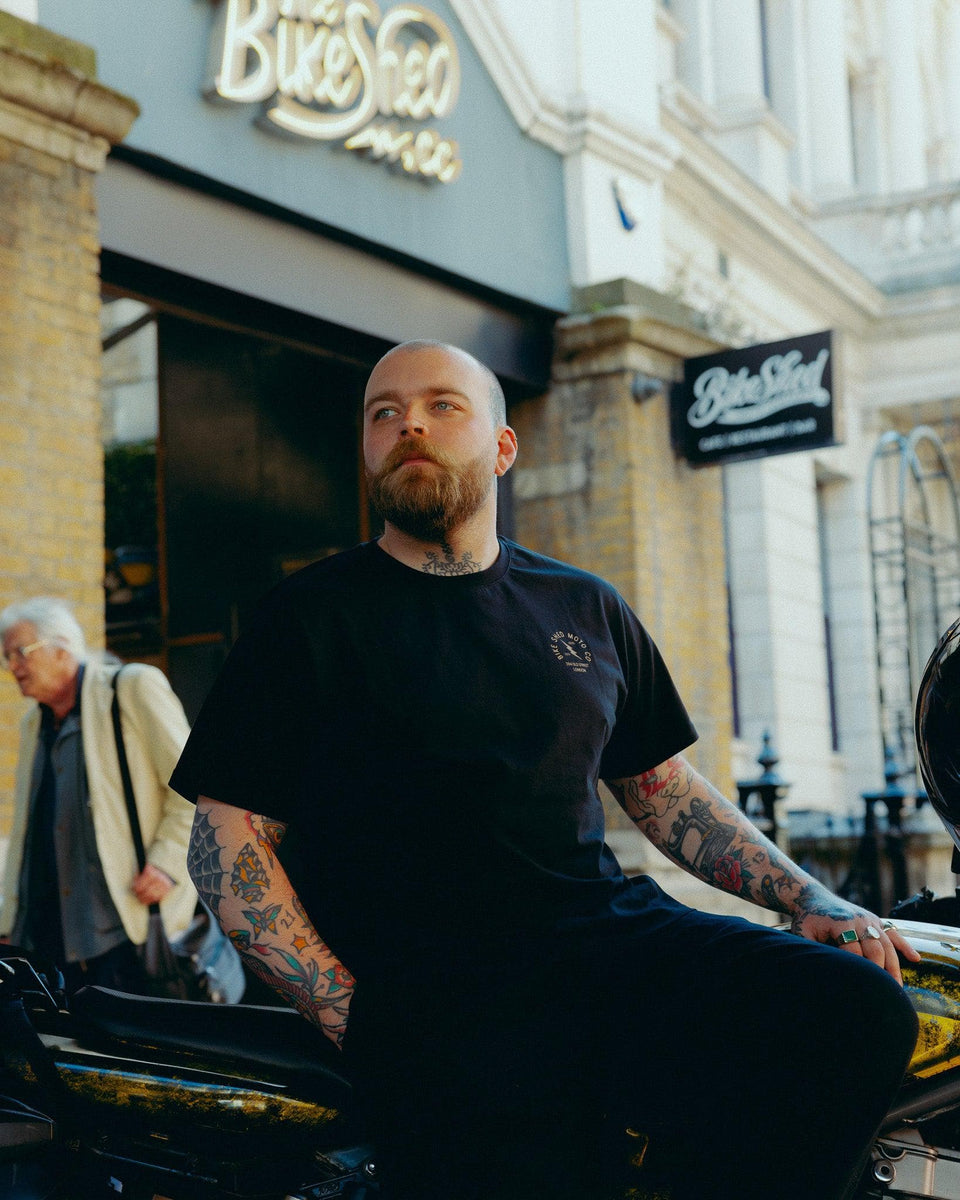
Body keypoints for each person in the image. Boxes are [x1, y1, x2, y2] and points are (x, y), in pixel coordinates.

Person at [171, 340, 920, 1200]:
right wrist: (358, 1016)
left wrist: (807, 897)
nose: (409, 421)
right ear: (370, 451)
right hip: (443, 995)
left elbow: (662, 788)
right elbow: (224, 848)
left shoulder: (584, 605)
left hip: (608, 942)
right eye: (384, 413)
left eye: (441, 404)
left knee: (857, 1013)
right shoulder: (307, 616)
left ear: (501, 446)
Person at [0, 596, 196, 993]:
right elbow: (25, 832)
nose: (13, 667)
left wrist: (167, 863)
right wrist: (9, 920)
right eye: (6, 657)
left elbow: (195, 784)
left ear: (62, 647)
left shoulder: (131, 688)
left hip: (125, 929)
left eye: (20, 653)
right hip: (49, 936)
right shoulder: (31, 724)